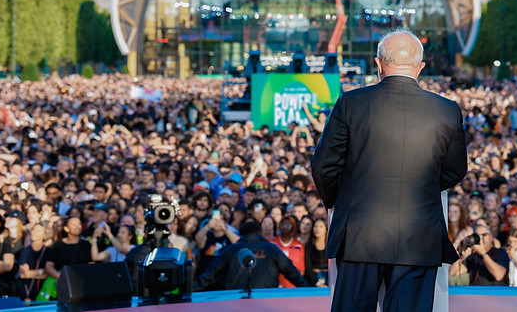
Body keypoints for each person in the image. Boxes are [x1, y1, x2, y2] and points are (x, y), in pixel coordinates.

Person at [311, 29, 467, 312]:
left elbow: (324, 166)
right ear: (420, 67)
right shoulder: (447, 110)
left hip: (359, 233)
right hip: (419, 237)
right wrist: (423, 188)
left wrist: (339, 200)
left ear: (378, 63)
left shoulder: (351, 103)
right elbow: (456, 170)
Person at [193, 219, 307, 291]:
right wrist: (308, 290)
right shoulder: (271, 248)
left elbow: (210, 273)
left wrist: (191, 292)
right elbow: (291, 272)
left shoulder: (231, 249)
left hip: (235, 301)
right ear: (258, 232)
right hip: (266, 301)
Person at [17, 224, 50, 301]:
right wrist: (41, 272)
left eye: (38, 231)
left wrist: (30, 273)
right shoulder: (25, 251)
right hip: (27, 292)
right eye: (33, 230)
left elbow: (48, 273)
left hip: (44, 292)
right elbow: (23, 274)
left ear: (45, 234)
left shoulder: (48, 251)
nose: (34, 232)